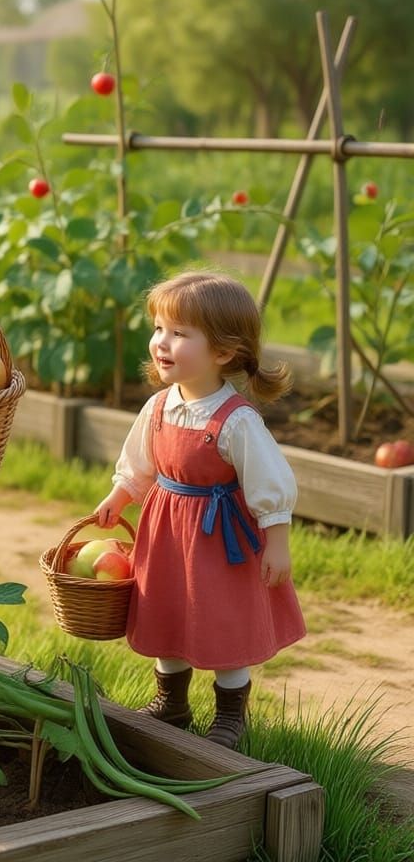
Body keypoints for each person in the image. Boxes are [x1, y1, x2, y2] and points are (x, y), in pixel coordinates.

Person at [92, 270, 305, 751]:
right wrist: (119, 496)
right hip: (167, 533)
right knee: (167, 612)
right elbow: (140, 464)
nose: (161, 343)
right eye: (159, 329)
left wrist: (277, 543)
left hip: (219, 543)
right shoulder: (159, 407)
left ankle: (231, 716)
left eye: (179, 333)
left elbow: (271, 484)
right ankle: (172, 702)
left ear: (223, 352)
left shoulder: (237, 421)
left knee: (222, 620)